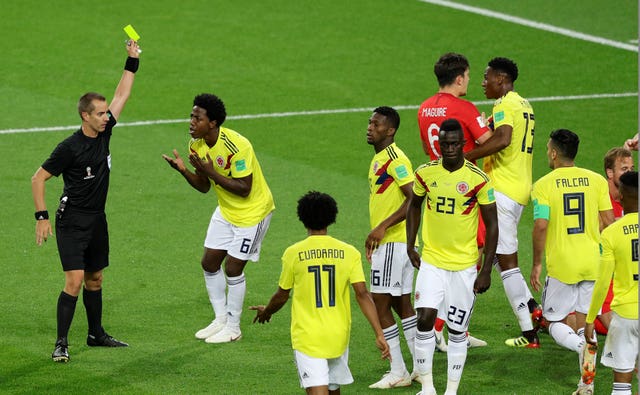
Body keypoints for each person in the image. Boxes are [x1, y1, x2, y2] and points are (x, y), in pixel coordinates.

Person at [31, 40, 141, 362]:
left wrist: (131, 60)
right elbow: (38, 178)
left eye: (106, 111)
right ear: (85, 116)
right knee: (75, 280)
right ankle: (61, 343)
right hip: (72, 220)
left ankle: (96, 334)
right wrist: (42, 216)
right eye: (100, 113)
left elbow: (123, 94)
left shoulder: (105, 132)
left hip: (96, 219)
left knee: (95, 278)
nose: (107, 116)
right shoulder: (69, 147)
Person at [250, 191, 390, 394]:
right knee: (334, 389)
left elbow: (282, 295)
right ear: (332, 217)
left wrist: (267, 312)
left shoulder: (293, 253)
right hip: (338, 336)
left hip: (308, 338)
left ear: (302, 218)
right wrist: (379, 333)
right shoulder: (349, 252)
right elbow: (362, 294)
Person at [163, 93, 274, 343]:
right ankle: (220, 319)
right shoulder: (196, 145)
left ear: (212, 123)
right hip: (226, 210)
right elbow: (203, 186)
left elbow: (244, 188)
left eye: (197, 118)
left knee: (233, 268)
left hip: (253, 213)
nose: (191, 121)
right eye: (191, 116)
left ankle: (234, 328)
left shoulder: (238, 146)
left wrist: (211, 171)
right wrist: (184, 171)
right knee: (209, 263)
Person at [406, 119, 498, 395]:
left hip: (464, 268)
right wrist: (411, 244)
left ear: (462, 144)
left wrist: (486, 270)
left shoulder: (478, 179)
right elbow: (414, 206)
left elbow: (493, 225)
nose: (448, 148)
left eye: (454, 143)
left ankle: (451, 391)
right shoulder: (425, 173)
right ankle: (428, 388)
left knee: (458, 330)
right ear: (439, 144)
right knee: (424, 319)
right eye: (444, 143)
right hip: (432, 262)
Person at [417, 52, 493, 350]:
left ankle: (456, 327)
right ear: (459, 77)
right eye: (469, 76)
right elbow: (488, 141)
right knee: (468, 261)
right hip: (466, 192)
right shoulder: (464, 108)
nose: (470, 81)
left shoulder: (423, 109)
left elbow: (428, 149)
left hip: (436, 187)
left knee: (447, 259)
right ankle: (441, 328)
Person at [529, 129, 614, 395]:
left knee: (553, 323)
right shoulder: (597, 181)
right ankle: (585, 384)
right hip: (593, 262)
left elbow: (541, 225)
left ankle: (582, 348)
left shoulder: (543, 185)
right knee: (584, 321)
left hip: (563, 266)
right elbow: (609, 222)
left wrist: (536, 263)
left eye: (547, 149)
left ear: (554, 153)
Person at [465, 57, 542, 348]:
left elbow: (504, 139)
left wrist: (466, 158)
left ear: (501, 78)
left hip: (502, 191)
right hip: (519, 188)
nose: (483, 83)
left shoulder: (505, 104)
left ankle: (529, 331)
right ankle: (534, 310)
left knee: (506, 263)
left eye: (487, 78)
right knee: (496, 255)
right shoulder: (524, 104)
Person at [365, 106, 417, 388]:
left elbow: (414, 198)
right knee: (401, 303)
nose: (370, 127)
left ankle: (398, 370)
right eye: (370, 122)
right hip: (396, 243)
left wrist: (382, 227)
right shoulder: (380, 158)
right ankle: (420, 367)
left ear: (391, 130)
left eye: (376, 124)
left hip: (394, 242)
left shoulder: (395, 159)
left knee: (380, 301)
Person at [584, 171, 638, 395]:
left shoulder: (612, 233)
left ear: (621, 196)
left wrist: (590, 319)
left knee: (622, 381)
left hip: (625, 316)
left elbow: (603, 281)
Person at [594, 147, 635, 335]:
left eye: (632, 168)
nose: (630, 173)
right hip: (604, 271)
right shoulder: (600, 199)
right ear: (610, 173)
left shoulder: (633, 198)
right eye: (624, 169)